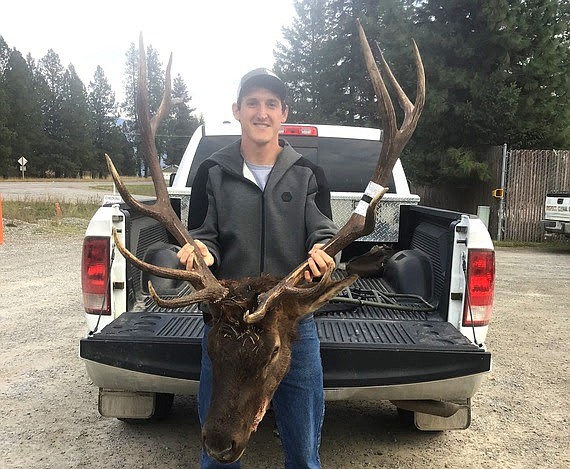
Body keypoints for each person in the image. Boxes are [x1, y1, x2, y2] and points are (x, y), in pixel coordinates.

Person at [177, 67, 338, 468]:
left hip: (288, 329)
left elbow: (323, 231)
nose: (261, 112)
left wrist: (323, 251)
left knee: (303, 452)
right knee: (217, 449)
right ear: (237, 110)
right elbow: (203, 234)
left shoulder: (308, 174)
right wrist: (201, 250)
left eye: (271, 104)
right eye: (253, 103)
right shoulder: (211, 172)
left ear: (284, 113)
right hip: (228, 328)